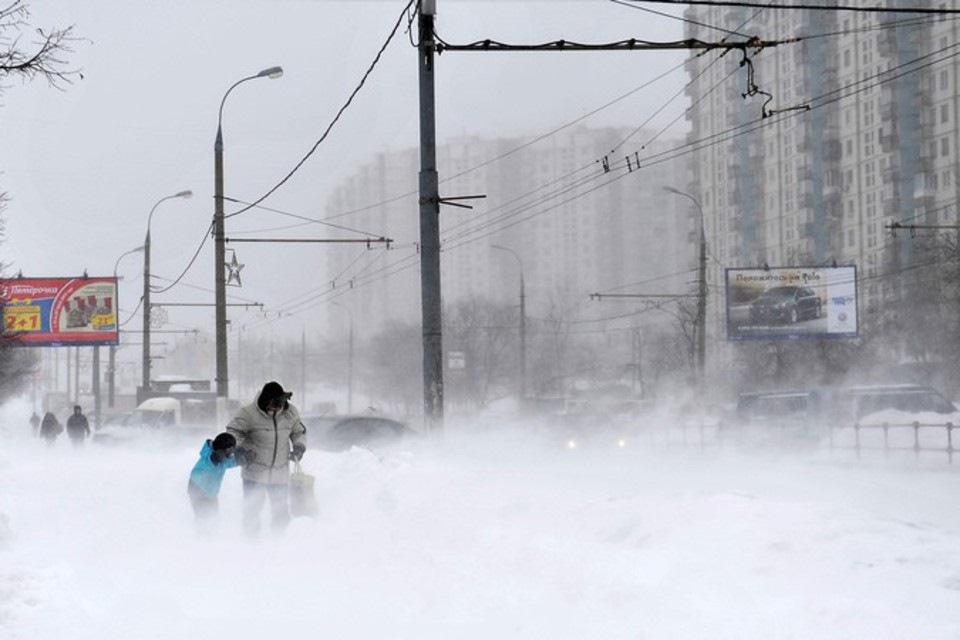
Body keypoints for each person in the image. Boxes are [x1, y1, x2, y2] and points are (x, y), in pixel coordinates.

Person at [226, 381, 307, 537]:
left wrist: (299, 447)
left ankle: (279, 541)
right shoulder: (248, 414)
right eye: (274, 403)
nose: (278, 407)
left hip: (279, 473)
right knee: (252, 510)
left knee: (281, 512)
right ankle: (251, 543)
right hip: (254, 472)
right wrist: (239, 449)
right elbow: (234, 431)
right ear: (265, 401)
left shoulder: (291, 413)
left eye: (281, 404)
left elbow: (299, 432)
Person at [187, 432, 239, 533]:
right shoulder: (210, 458)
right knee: (204, 518)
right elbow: (210, 461)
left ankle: (209, 538)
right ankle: (202, 539)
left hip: (210, 493)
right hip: (198, 489)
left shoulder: (222, 458)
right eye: (230, 450)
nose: (231, 453)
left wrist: (241, 459)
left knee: (212, 518)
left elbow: (228, 462)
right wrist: (215, 458)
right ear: (222, 449)